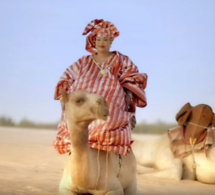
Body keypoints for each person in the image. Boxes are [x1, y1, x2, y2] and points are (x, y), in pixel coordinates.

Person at [53, 19, 147, 156]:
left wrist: (126, 88)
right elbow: (67, 76)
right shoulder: (84, 61)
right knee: (77, 112)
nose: (101, 42)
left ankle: (106, 145)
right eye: (98, 40)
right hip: (85, 98)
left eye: (105, 39)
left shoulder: (121, 59)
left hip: (112, 100)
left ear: (111, 42)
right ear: (93, 42)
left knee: (107, 115)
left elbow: (133, 76)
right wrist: (63, 91)